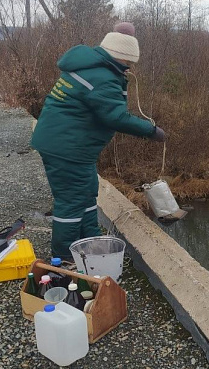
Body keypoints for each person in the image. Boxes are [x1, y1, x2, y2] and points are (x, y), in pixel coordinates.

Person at [31, 22, 166, 259]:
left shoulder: (90, 65)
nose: (128, 68)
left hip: (71, 146)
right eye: (128, 63)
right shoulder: (102, 76)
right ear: (121, 57)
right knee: (71, 202)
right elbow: (115, 116)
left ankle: (90, 244)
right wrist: (151, 131)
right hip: (67, 148)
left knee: (87, 192)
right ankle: (63, 258)